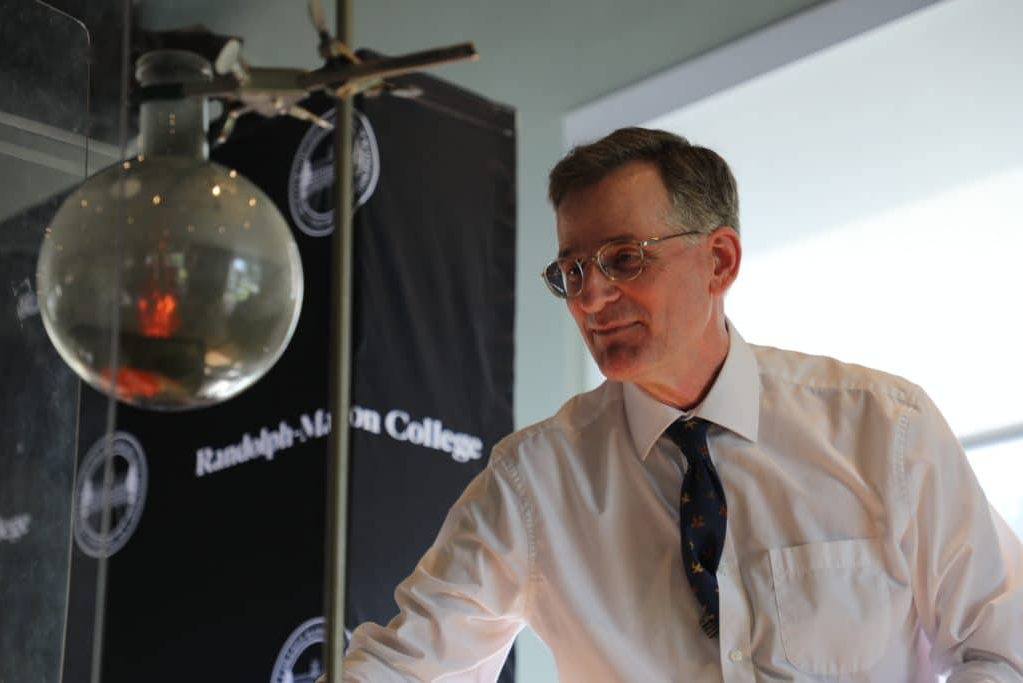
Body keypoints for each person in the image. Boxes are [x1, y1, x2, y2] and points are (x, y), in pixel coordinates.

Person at [337, 128, 1023, 681]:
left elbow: (1004, 647)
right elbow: (405, 667)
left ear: (720, 260)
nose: (590, 297)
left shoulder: (885, 428)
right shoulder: (534, 484)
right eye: (572, 270)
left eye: (624, 259)